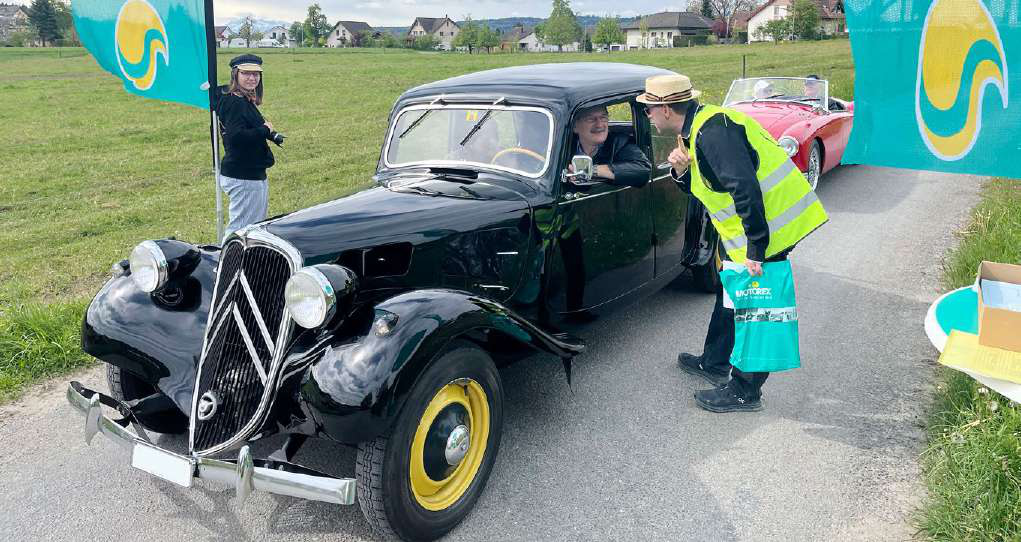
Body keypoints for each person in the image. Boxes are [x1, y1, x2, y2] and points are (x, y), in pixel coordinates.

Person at [638, 73, 828, 413]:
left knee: (755, 308)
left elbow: (745, 189)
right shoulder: (699, 129)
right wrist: (682, 171)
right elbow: (712, 189)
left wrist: (756, 248)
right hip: (745, 235)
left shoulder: (713, 133)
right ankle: (715, 361)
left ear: (666, 109)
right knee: (731, 295)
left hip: (767, 232)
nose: (647, 115)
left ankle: (745, 390)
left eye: (649, 109)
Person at [216, 53, 284, 242]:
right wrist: (263, 130)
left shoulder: (241, 99)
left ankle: (245, 266)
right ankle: (227, 266)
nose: (252, 78)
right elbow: (236, 137)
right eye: (246, 73)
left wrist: (269, 133)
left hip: (248, 173)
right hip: (243, 175)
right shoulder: (235, 102)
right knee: (241, 230)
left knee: (251, 227)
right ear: (235, 74)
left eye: (256, 74)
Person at [570, 104, 652, 187]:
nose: (599, 125)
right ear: (575, 127)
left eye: (603, 117)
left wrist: (589, 170)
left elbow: (643, 170)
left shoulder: (620, 142)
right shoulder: (564, 146)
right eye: (590, 119)